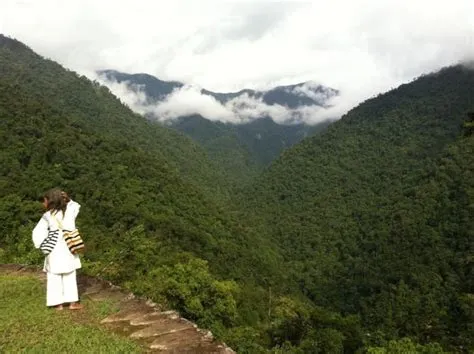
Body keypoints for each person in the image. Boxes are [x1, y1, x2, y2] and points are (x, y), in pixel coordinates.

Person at [32, 188, 83, 310]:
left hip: (53, 248)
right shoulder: (70, 211)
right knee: (70, 274)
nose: (43, 203)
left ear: (50, 201)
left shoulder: (48, 216)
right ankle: (72, 303)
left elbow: (37, 232)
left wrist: (41, 244)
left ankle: (57, 304)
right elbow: (76, 206)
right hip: (68, 246)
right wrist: (69, 199)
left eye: (45, 201)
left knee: (54, 276)